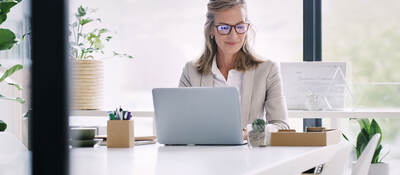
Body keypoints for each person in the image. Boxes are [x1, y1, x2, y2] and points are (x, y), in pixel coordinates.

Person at [178, 0, 290, 140]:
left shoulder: (267, 70)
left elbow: (281, 126)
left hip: (250, 158)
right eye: (224, 28)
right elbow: (179, 124)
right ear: (212, 30)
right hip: (203, 156)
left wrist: (247, 133)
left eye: (240, 26)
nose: (233, 35)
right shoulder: (191, 71)